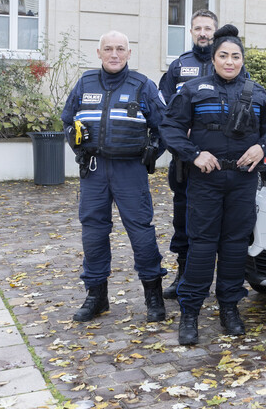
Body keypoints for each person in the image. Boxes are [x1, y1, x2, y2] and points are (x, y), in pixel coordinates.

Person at [159, 24, 266, 344]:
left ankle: (229, 308)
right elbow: (170, 128)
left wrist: (263, 148)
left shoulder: (256, 93)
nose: (230, 61)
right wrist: (193, 154)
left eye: (236, 56)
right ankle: (190, 313)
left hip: (242, 182)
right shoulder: (193, 90)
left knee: (234, 247)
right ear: (213, 59)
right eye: (223, 56)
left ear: (243, 60)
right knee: (201, 247)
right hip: (205, 182)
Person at [61, 31, 168, 323]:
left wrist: (152, 154)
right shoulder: (85, 82)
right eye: (108, 48)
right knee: (93, 232)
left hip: (129, 170)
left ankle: (153, 296)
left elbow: (165, 126)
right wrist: (75, 141)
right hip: (94, 169)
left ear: (129, 54)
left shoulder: (143, 85)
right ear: (98, 53)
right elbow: (67, 120)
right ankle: (96, 296)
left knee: (141, 232)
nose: (114, 54)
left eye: (120, 49)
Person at [158, 9, 218, 299]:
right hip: (184, 160)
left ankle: (207, 279)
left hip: (219, 161)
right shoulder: (178, 66)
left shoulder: (228, 63)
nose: (203, 33)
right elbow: (165, 111)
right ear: (191, 32)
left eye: (208, 28)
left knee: (214, 223)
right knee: (182, 220)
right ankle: (183, 277)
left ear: (215, 33)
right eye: (198, 28)